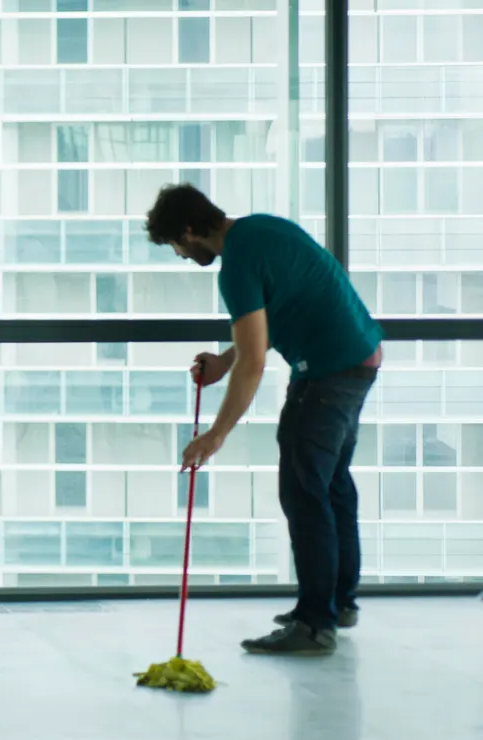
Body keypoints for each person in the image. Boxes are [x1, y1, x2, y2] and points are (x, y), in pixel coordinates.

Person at [144, 184, 383, 655]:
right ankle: (337, 603)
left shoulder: (234, 267)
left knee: (304, 490)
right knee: (331, 484)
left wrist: (215, 435)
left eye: (174, 243)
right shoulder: (262, 229)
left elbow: (255, 360)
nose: (177, 253)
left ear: (189, 230)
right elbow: (267, 323)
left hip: (329, 371)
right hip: (360, 357)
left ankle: (315, 625)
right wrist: (223, 363)